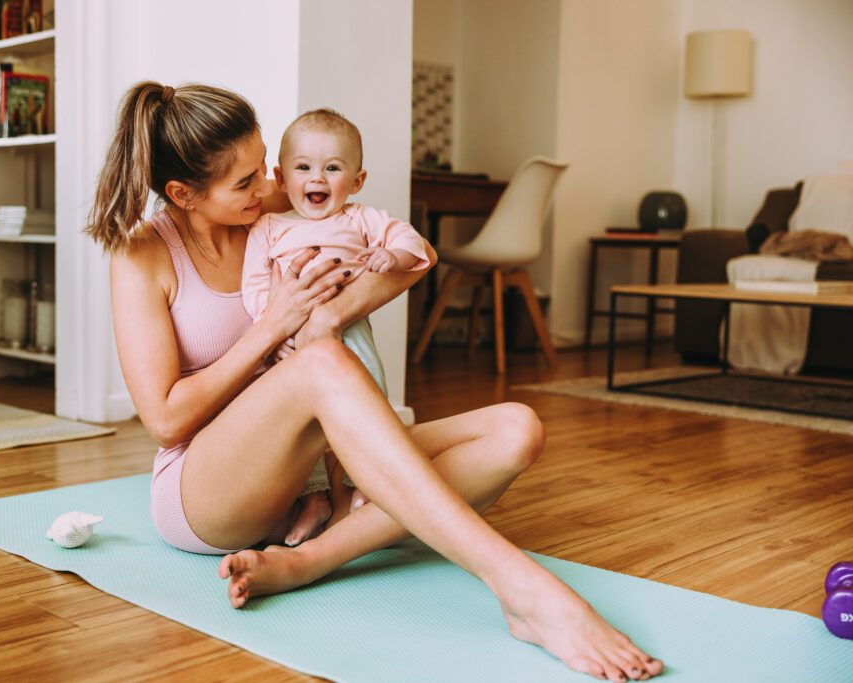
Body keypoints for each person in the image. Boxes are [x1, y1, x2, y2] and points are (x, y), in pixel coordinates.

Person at [86, 81, 663, 683]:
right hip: (206, 491)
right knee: (321, 364)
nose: (269, 185)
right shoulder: (143, 253)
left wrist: (330, 315)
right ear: (183, 194)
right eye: (246, 183)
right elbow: (165, 419)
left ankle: (309, 561)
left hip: (304, 472)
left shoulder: (277, 203)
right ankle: (526, 591)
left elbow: (420, 257)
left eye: (265, 168)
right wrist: (272, 329)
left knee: (517, 429)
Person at [241, 108, 431, 546]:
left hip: (349, 329)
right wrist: (271, 333)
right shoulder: (269, 227)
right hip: (288, 340)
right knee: (296, 425)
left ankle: (370, 478)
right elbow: (252, 287)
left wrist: (393, 258)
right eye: (304, 167)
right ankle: (315, 497)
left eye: (333, 168)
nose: (318, 179)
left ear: (357, 181)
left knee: (368, 398)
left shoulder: (361, 219)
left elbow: (412, 241)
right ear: (281, 176)